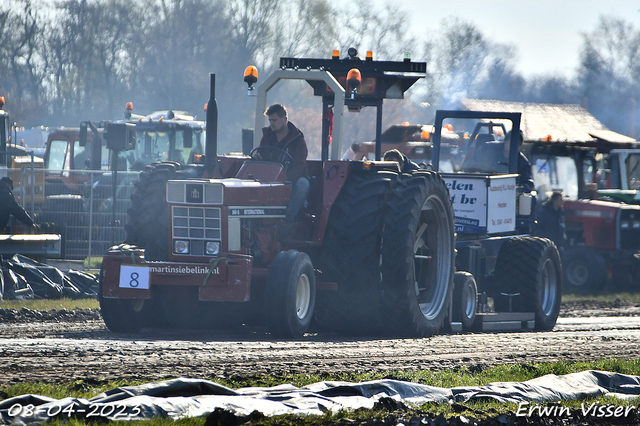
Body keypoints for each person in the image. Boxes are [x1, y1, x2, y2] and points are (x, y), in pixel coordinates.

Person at [259, 104, 309, 223]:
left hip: (289, 180)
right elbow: (261, 156)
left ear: (285, 119)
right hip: (268, 179)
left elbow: (298, 167)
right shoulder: (267, 138)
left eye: (275, 120)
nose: (272, 123)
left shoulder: (298, 141)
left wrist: (284, 179)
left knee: (303, 184)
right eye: (270, 120)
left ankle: (287, 222)